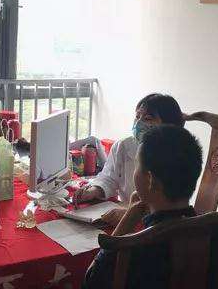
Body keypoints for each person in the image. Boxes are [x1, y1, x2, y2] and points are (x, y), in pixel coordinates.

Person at [28, 125, 218, 289]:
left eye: (137, 167)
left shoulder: (136, 244)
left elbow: (91, 284)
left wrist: (129, 217)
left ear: (150, 180)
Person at [73, 93, 185, 226]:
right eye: (137, 116)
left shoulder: (177, 155)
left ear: (168, 126)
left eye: (148, 119)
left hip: (160, 223)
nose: (139, 123)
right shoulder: (124, 145)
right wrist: (93, 191)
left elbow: (169, 203)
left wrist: (130, 213)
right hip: (128, 213)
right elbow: (109, 177)